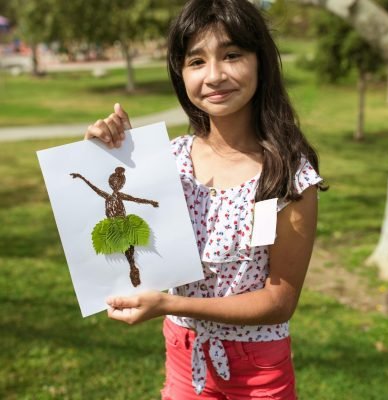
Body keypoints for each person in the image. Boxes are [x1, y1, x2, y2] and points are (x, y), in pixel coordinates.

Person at [84, 0, 325, 398]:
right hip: (184, 357)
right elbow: (113, 216)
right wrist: (104, 153)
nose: (214, 76)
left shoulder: (290, 175)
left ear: (260, 61)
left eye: (231, 55)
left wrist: (167, 304)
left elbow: (280, 301)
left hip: (259, 370)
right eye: (196, 61)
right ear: (181, 74)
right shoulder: (167, 162)